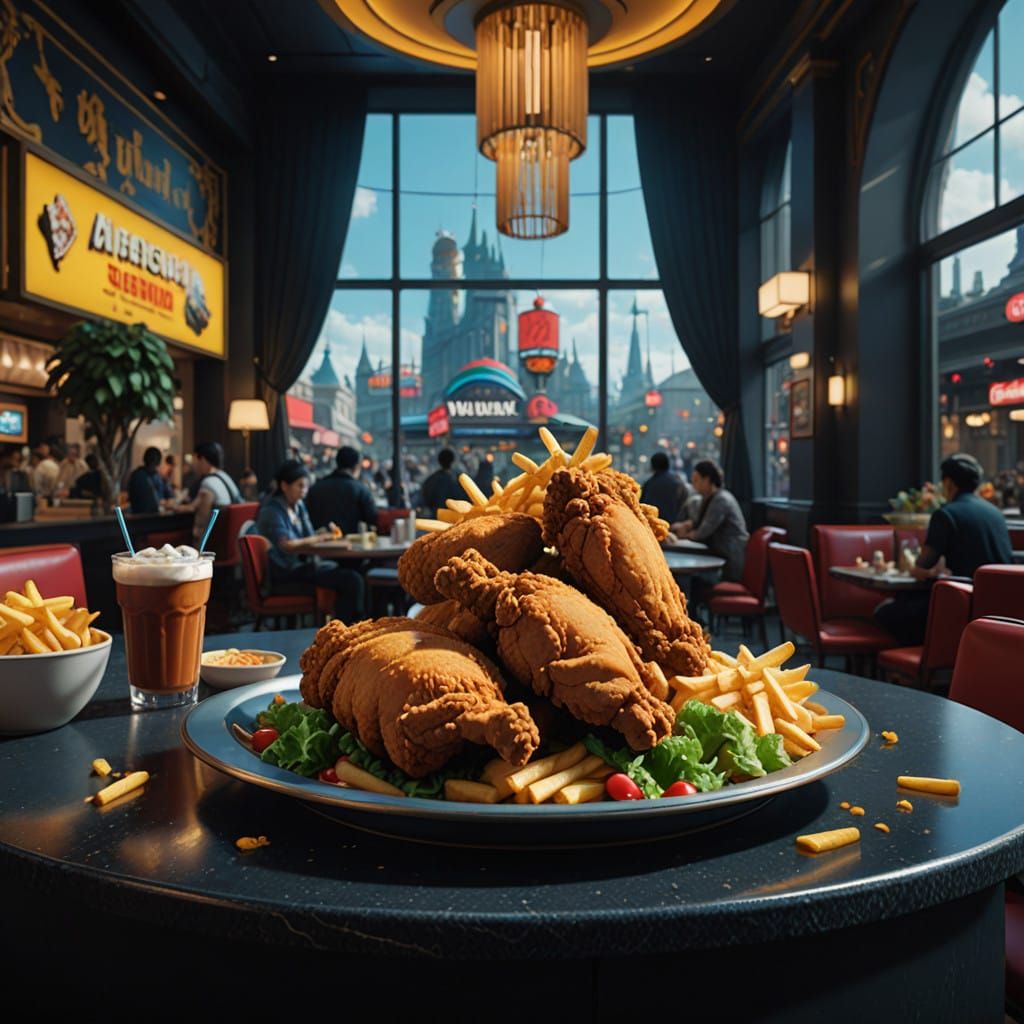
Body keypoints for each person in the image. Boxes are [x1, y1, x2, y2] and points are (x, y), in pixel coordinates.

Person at [875, 453, 1014, 645]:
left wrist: (920, 567)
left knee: (886, 612)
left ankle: (915, 666)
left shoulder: (946, 514)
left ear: (948, 483)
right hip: (1000, 608)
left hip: (960, 607)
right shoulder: (995, 514)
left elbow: (922, 566)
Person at [255, 460, 364, 623]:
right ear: (284, 485)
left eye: (306, 486)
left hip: (300, 567)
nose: (304, 491)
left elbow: (308, 535)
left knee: (352, 574)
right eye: (300, 486)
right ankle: (345, 633)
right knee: (351, 580)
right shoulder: (271, 511)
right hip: (284, 573)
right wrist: (320, 537)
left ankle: (347, 628)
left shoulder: (298, 506)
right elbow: (287, 545)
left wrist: (324, 533)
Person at [671, 459, 749, 582]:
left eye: (696, 479)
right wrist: (687, 525)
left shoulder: (721, 500)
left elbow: (703, 532)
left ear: (707, 479)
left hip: (730, 557)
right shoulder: (708, 498)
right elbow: (697, 522)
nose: (693, 483)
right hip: (719, 552)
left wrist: (682, 535)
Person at [175, 441, 242, 545]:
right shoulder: (225, 476)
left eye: (196, 460)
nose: (195, 465)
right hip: (233, 541)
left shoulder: (208, 482)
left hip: (216, 542)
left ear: (203, 460)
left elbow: (200, 517)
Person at [305, 446, 378, 533]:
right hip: (352, 544)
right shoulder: (361, 490)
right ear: (356, 466)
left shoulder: (316, 488)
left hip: (318, 544)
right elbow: (372, 518)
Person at [640, 451, 690, 525]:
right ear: (668, 464)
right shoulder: (677, 481)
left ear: (652, 467)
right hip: (674, 525)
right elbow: (685, 500)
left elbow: (641, 505)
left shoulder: (648, 484)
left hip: (653, 525)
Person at [128, 447, 173, 514]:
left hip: (141, 515)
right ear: (158, 463)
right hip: (146, 517)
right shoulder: (140, 476)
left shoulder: (137, 474)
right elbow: (152, 503)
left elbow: (168, 495)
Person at [419, 448, 464, 514]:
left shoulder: (431, 480)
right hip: (458, 516)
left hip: (438, 518)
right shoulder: (461, 479)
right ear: (453, 460)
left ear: (439, 461)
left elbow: (426, 499)